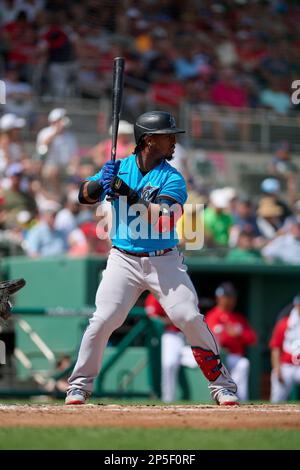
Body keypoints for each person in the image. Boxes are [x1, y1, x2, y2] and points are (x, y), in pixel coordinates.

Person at [65, 110, 238, 406]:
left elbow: (165, 220)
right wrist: (99, 184)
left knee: (188, 316)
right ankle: (79, 385)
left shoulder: (173, 178)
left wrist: (128, 194)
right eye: (167, 137)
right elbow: (82, 196)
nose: (173, 142)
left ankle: (222, 385)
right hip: (123, 259)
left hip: (164, 260)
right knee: (103, 319)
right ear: (147, 141)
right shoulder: (119, 167)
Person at [205, 282, 257, 401]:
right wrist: (227, 335)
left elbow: (252, 339)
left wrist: (239, 334)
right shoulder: (212, 316)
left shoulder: (238, 318)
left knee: (243, 363)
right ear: (219, 297)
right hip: (219, 357)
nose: (231, 300)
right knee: (240, 364)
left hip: (234, 357)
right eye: (227, 296)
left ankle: (241, 399)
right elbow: (211, 339)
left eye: (232, 296)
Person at [145, 292, 197, 403]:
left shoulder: (187, 293)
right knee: (169, 364)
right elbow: (154, 318)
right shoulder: (155, 294)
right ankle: (168, 399)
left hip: (187, 335)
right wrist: (172, 320)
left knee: (194, 362)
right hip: (169, 335)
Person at [269, 294, 300, 403]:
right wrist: (277, 368)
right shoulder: (284, 323)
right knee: (277, 396)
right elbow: (275, 347)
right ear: (296, 305)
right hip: (286, 366)